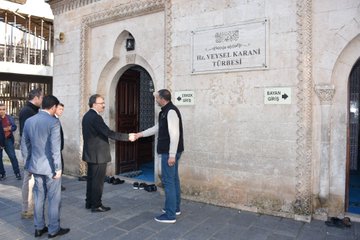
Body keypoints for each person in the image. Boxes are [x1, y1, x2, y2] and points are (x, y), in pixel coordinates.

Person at [130, 89, 184, 224]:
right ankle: (175, 208)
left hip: (169, 153)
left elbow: (175, 134)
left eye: (157, 98)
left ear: (163, 99)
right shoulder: (164, 112)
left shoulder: (171, 111)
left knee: (169, 181)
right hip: (169, 152)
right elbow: (157, 128)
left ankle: (170, 215)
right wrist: (139, 134)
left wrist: (171, 155)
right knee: (173, 180)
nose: (155, 100)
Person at [21, 95, 70, 238]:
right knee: (54, 199)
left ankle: (38, 227)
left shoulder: (29, 121)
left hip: (35, 166)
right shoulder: (54, 122)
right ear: (53, 107)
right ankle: (53, 229)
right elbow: (55, 148)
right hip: (50, 169)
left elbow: (25, 145)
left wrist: (27, 164)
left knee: (39, 197)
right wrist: (58, 168)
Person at [82, 94, 129, 212]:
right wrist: (127, 137)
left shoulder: (87, 116)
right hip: (98, 155)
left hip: (91, 154)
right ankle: (96, 205)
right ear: (94, 104)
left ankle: (89, 202)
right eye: (101, 103)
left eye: (103, 103)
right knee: (97, 182)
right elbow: (108, 133)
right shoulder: (96, 117)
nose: (103, 105)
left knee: (91, 180)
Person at [19, 88, 43, 219]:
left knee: (31, 180)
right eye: (42, 98)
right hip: (30, 151)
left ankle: (30, 207)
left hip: (33, 150)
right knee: (28, 180)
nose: (43, 100)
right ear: (37, 98)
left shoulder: (32, 110)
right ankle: (26, 209)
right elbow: (28, 134)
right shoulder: (27, 111)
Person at [0, 103, 21, 180]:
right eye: (0, 109)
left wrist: (10, 128)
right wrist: (3, 129)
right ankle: (2, 174)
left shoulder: (9, 118)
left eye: (3, 109)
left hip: (8, 139)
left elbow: (14, 127)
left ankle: (17, 173)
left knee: (12, 156)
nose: (2, 111)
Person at [55, 103, 66, 191]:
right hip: (56, 148)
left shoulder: (57, 118)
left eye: (62, 109)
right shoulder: (53, 119)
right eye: (60, 109)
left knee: (60, 166)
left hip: (59, 148)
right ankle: (56, 185)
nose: (61, 111)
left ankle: (58, 184)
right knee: (58, 166)